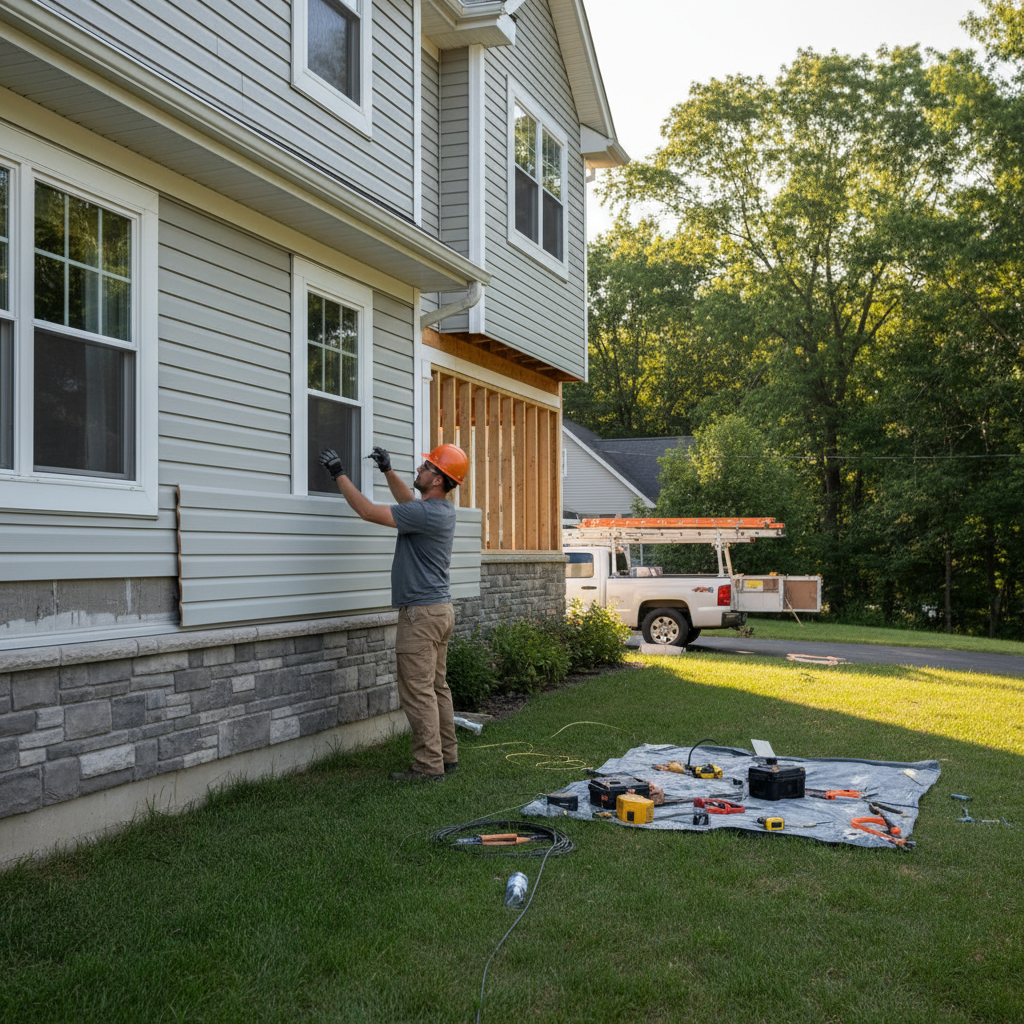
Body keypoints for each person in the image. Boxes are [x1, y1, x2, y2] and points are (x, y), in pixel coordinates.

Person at [318, 442, 469, 782]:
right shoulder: (439, 511)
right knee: (436, 687)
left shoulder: (424, 514)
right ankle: (447, 755)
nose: (419, 470)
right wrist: (387, 470)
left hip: (420, 616)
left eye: (426, 467)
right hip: (440, 611)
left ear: (438, 480)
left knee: (418, 693)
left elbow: (369, 512)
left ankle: (428, 767)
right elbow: (409, 503)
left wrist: (339, 475)